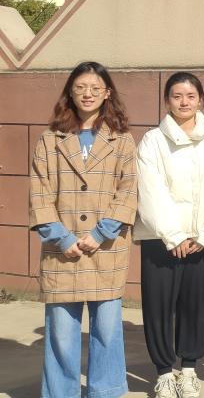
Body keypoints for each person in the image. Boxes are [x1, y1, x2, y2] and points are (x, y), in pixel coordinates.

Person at [29, 61, 138, 398]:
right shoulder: (50, 140)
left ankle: (106, 392)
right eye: (80, 88)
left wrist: (101, 233)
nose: (87, 94)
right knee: (62, 333)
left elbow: (128, 192)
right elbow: (39, 195)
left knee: (107, 330)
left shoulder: (122, 140)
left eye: (94, 88)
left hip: (106, 249)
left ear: (107, 93)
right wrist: (63, 238)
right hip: (62, 251)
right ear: (70, 92)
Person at [135, 72, 204, 398]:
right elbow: (150, 191)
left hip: (199, 241)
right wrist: (174, 235)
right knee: (158, 307)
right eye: (176, 96)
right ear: (167, 100)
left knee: (196, 306)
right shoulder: (152, 140)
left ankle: (189, 370)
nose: (184, 102)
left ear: (201, 100)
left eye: (190, 96)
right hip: (161, 241)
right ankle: (164, 373)